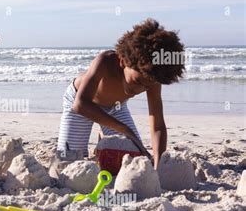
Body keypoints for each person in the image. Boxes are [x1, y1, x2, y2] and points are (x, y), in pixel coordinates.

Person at [57, 19, 185, 169]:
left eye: (146, 86)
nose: (139, 90)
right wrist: (124, 129)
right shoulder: (105, 61)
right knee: (66, 165)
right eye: (137, 82)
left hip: (115, 108)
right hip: (80, 102)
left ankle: (104, 138)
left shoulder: (152, 77)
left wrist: (158, 166)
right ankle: (105, 131)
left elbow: (157, 126)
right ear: (124, 61)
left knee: (129, 162)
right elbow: (80, 104)